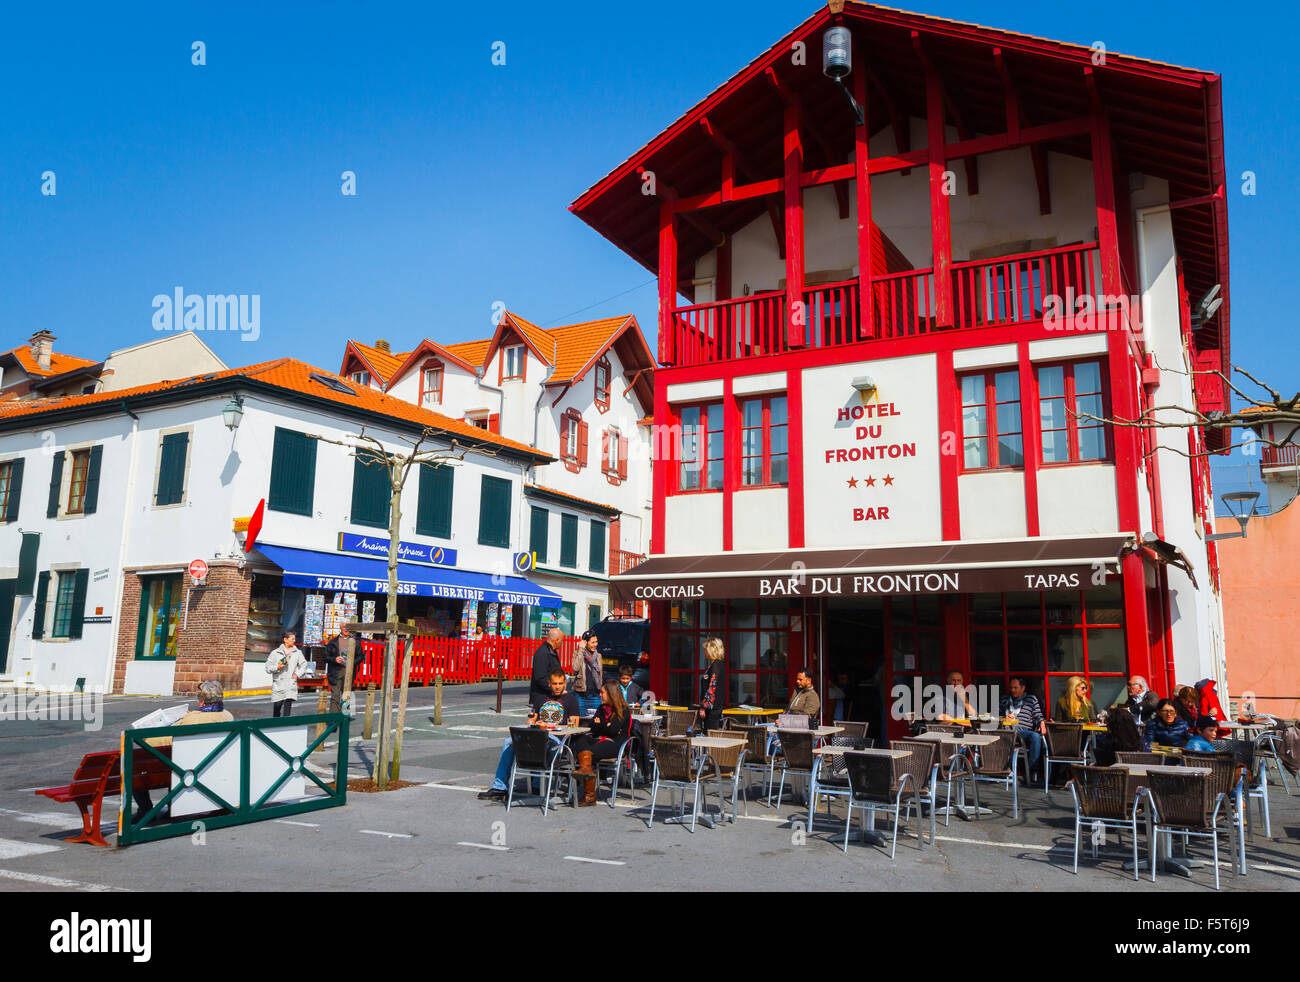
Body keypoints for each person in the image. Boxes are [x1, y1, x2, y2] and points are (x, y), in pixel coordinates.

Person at [132, 680, 235, 823]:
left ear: (201, 701)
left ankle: (145, 810)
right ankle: (173, 808)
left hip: (185, 769)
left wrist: (144, 735)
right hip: (211, 765)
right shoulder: (227, 715)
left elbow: (159, 742)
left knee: (136, 766)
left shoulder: (191, 719)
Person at [478, 669, 580, 801]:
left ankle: (537, 784)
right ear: (549, 683)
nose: (557, 686)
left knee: (541, 743)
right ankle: (500, 787)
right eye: (555, 683)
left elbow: (575, 725)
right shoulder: (540, 698)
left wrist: (552, 726)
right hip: (537, 734)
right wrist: (535, 722)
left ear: (565, 683)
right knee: (508, 742)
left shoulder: (570, 700)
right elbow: (530, 720)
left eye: (560, 683)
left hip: (556, 739)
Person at [571, 681, 632, 805]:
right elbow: (592, 726)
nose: (600, 695)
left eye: (602, 693)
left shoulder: (623, 710)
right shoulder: (601, 708)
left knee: (591, 752)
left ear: (611, 694)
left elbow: (613, 731)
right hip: (600, 739)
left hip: (616, 744)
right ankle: (586, 774)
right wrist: (604, 725)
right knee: (580, 739)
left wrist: (601, 724)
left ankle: (589, 795)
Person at [1000, 676, 1046, 778]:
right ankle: (996, 769)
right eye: (1011, 688)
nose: (1012, 690)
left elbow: (1038, 716)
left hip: (1022, 732)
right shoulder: (1004, 699)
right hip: (1006, 731)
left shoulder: (1031, 699)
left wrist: (1042, 723)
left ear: (1023, 688)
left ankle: (1031, 772)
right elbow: (996, 716)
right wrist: (1004, 717)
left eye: (1015, 688)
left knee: (1035, 736)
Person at [266, 631, 308, 717]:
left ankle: (286, 727)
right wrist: (277, 667)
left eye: (294, 639)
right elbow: (268, 668)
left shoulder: (297, 652)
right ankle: (275, 726)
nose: (294, 640)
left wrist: (297, 674)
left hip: (290, 683)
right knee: (277, 707)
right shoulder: (275, 653)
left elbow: (304, 665)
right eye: (292, 639)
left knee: (288, 707)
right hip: (279, 684)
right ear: (285, 639)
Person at [570, 631, 603, 717]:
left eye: (596, 642)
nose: (595, 644)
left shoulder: (598, 656)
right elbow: (575, 668)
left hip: (595, 695)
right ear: (585, 642)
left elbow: (600, 675)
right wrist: (580, 650)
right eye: (592, 642)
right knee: (581, 721)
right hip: (581, 695)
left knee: (596, 721)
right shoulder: (577, 653)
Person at [324, 623, 354, 715]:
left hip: (349, 671)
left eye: (348, 627)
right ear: (340, 628)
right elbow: (326, 657)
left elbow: (360, 657)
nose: (346, 629)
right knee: (335, 696)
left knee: (346, 696)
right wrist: (334, 659)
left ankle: (345, 718)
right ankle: (333, 719)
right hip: (335, 671)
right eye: (344, 627)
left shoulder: (354, 641)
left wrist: (351, 661)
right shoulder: (333, 642)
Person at [530, 628, 565, 704]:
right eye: (561, 641)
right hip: (542, 696)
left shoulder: (551, 651)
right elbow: (540, 677)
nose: (562, 643)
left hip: (549, 695)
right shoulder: (543, 653)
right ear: (556, 640)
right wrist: (555, 688)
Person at [697, 637, 725, 732]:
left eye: (705, 649)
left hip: (711, 710)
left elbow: (712, 688)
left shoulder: (716, 665)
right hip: (715, 708)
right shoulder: (717, 664)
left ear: (711, 649)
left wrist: (703, 707)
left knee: (709, 738)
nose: (704, 651)